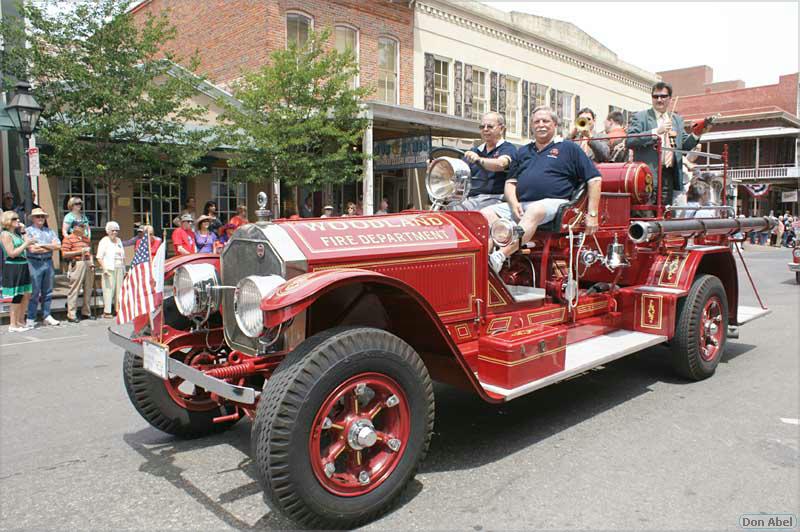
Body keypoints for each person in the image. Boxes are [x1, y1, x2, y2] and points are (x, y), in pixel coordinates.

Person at [481, 107, 602, 273]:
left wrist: (593, 214)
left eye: (545, 121)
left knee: (534, 209)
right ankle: (482, 261)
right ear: (531, 125)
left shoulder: (569, 148)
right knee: (485, 214)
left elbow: (594, 179)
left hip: (556, 203)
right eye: (536, 122)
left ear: (555, 125)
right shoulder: (523, 151)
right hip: (521, 203)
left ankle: (500, 256)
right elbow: (510, 183)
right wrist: (513, 202)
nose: (541, 125)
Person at [627, 82, 704, 206]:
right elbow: (630, 140)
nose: (659, 99)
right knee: (646, 213)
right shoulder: (641, 117)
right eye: (655, 96)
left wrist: (697, 133)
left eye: (663, 96)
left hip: (668, 175)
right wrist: (656, 131)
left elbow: (684, 145)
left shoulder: (676, 119)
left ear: (670, 99)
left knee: (663, 213)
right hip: (647, 175)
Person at [450, 111, 517, 211]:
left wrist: (479, 160)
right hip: (470, 198)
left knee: (472, 213)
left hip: (495, 198)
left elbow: (501, 164)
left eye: (490, 126)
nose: (485, 129)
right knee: (446, 209)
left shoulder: (508, 148)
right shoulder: (475, 151)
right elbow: (458, 170)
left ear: (501, 129)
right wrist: (438, 166)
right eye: (482, 127)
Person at [25, 208, 61, 327]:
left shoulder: (49, 231)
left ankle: (46, 315)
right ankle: (31, 317)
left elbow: (58, 246)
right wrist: (49, 246)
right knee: (34, 291)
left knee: (48, 291)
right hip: (34, 262)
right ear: (33, 218)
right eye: (38, 216)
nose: (40, 218)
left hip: (48, 261)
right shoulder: (28, 231)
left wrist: (42, 245)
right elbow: (32, 249)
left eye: (42, 216)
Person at [1, 210, 34, 331]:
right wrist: (26, 243)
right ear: (8, 221)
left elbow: (29, 245)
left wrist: (24, 231)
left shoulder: (16, 234)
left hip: (23, 264)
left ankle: (20, 321)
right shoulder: (5, 234)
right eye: (15, 219)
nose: (18, 221)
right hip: (14, 265)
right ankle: (12, 324)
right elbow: (11, 253)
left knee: (26, 294)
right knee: (17, 295)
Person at [61, 223, 95, 323]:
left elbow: (90, 253)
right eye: (81, 226)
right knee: (74, 289)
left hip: (87, 263)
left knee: (88, 289)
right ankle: (71, 314)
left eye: (83, 226)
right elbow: (64, 254)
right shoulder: (68, 238)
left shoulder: (85, 239)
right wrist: (80, 252)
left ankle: (86, 312)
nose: (83, 228)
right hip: (77, 263)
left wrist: (92, 263)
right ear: (75, 228)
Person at [96, 221, 125, 319]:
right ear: (108, 231)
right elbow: (99, 257)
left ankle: (118, 309)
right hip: (109, 268)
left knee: (119, 290)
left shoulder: (119, 240)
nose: (115, 232)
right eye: (112, 230)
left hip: (119, 267)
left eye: (117, 230)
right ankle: (107, 311)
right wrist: (104, 269)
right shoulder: (104, 241)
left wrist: (124, 269)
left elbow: (122, 256)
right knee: (108, 290)